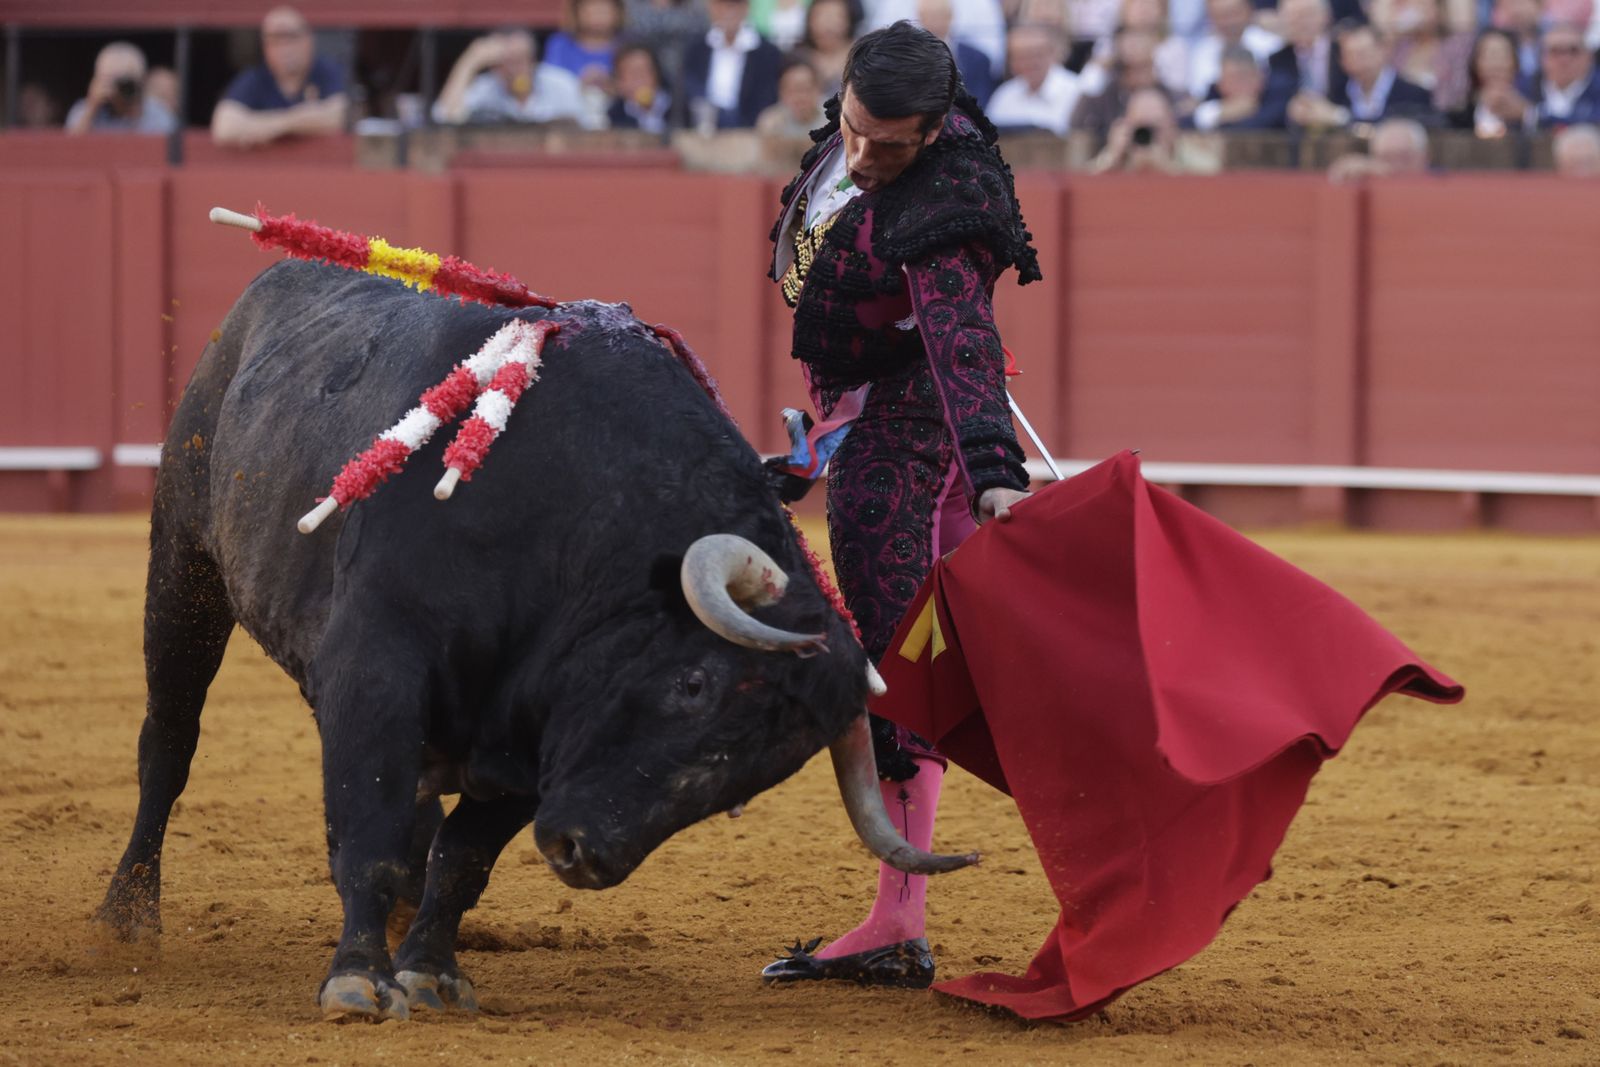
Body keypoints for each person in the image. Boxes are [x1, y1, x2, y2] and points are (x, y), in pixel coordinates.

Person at [758, 20, 1038, 988]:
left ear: (937, 126)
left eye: (893, 144)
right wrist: (823, 439)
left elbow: (959, 338)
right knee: (985, 646)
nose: (867, 155)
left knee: (893, 658)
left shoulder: (948, 195)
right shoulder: (857, 147)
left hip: (926, 434)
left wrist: (997, 465)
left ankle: (896, 918)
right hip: (878, 421)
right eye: (856, 129)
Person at [211, 6, 348, 147]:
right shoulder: (256, 78)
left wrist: (268, 126)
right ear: (265, 47)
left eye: (292, 37)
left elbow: (339, 117)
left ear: (309, 39)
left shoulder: (328, 71)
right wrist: (304, 120)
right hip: (265, 166)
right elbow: (224, 127)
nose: (285, 48)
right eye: (275, 40)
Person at [1288, 20, 1435, 127]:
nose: (1359, 61)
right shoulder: (1336, 95)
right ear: (1342, 61)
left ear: (1383, 51)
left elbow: (1395, 130)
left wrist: (1341, 118)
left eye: (1364, 53)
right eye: (1351, 54)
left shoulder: (1414, 94)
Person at [432, 29, 591, 125]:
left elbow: (590, 128)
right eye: (506, 63)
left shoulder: (561, 84)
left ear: (533, 61)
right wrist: (469, 62)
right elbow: (443, 118)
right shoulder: (486, 87)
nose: (514, 71)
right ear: (495, 67)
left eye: (520, 61)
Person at [680, 0, 785, 127]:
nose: (728, 11)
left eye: (735, 4)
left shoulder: (768, 53)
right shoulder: (695, 50)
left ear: (746, 7)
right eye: (721, 4)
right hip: (702, 134)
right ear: (710, 7)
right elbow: (689, 94)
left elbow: (766, 101)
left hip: (750, 134)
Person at [986, 23, 1083, 134]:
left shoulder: (1077, 91)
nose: (1028, 63)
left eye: (1035, 55)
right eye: (1020, 57)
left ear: (1053, 54)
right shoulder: (1005, 94)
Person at [65, 41, 177, 135]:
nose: (121, 89)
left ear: (142, 81)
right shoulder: (84, 110)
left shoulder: (158, 113)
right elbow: (69, 149)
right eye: (114, 82)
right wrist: (92, 107)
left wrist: (136, 112)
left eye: (128, 83)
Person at [1445, 28, 1532, 135]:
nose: (1495, 64)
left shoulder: (1533, 105)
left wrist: (1526, 115)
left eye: (1502, 55)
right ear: (1475, 64)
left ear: (1515, 62)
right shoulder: (1461, 113)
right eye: (1488, 55)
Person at [917, 0, 997, 107]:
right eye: (927, 16)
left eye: (938, 15)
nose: (933, 22)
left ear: (950, 16)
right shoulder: (908, 59)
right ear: (920, 19)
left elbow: (981, 102)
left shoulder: (977, 59)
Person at [1188, 42, 1287, 126]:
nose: (1240, 85)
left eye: (1245, 77)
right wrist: (1219, 113)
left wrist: (1241, 113)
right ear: (1221, 83)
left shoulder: (1278, 93)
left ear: (1261, 77)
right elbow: (1186, 122)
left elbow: (1265, 123)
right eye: (1232, 78)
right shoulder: (1213, 94)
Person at [1524, 21, 1600, 126]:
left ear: (1589, 57)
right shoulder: (1525, 88)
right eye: (1555, 51)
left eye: (1573, 51)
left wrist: (1531, 116)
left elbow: (1591, 125)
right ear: (1541, 58)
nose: (1564, 59)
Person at [545, 0, 628, 88]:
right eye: (591, 10)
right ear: (576, 12)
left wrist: (611, 85)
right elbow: (551, 80)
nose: (598, 16)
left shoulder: (628, 44)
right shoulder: (560, 44)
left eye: (603, 10)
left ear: (618, 12)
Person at [1326, 114, 1430, 177]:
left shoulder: (1441, 184)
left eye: (1403, 157)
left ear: (1424, 157)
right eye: (1386, 158)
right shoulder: (1368, 179)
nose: (1395, 167)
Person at [799, 0, 862, 98]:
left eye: (835, 16)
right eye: (821, 16)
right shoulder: (798, 57)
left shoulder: (862, 54)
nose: (828, 25)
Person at [607, 42, 674, 131]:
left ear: (657, 75)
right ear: (619, 83)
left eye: (645, 71)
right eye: (632, 73)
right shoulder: (611, 117)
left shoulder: (680, 109)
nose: (639, 79)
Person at [756, 55, 829, 134]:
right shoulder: (771, 122)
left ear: (818, 89)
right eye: (793, 90)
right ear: (781, 92)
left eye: (806, 89)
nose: (800, 97)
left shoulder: (834, 120)